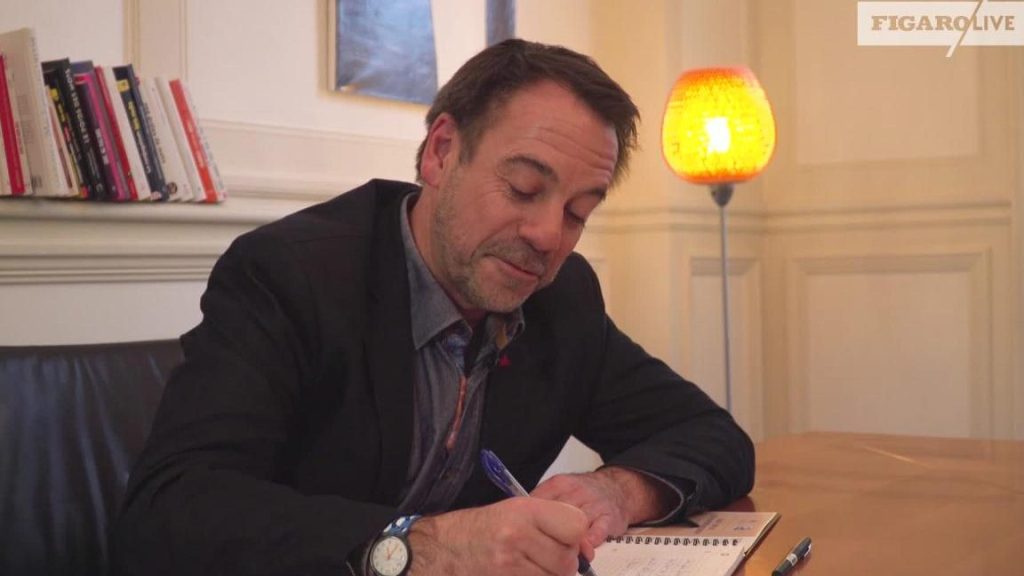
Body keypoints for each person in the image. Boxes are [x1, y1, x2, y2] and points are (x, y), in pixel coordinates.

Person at [113, 39, 754, 576]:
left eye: (577, 213)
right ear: (441, 152)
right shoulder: (291, 275)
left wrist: (615, 489)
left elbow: (714, 436)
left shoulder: (562, 298)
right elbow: (170, 512)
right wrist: (427, 547)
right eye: (523, 188)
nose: (548, 235)